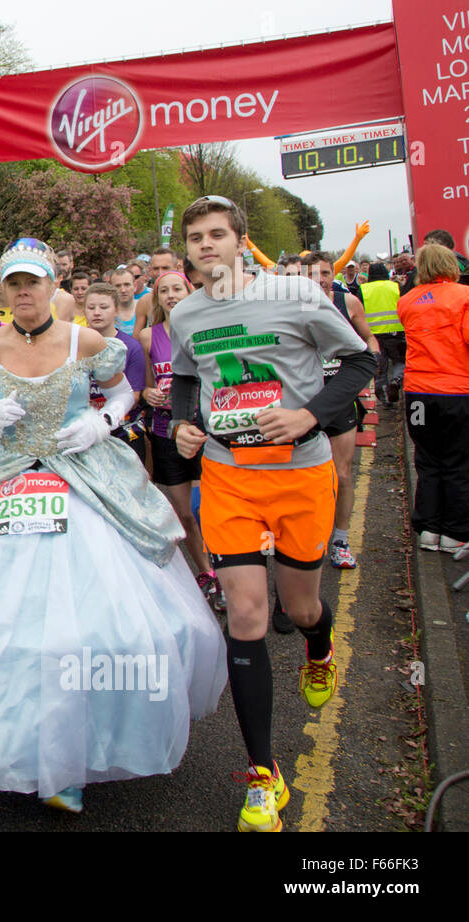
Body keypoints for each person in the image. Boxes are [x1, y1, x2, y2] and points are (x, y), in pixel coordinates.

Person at [0, 241, 225, 811]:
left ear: (50, 287)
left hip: (81, 474)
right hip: (6, 476)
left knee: (88, 621)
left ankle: (75, 749)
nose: (23, 294)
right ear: (3, 292)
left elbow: (123, 393)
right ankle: (0, 739)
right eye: (12, 285)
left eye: (32, 284)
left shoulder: (85, 339)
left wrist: (100, 422)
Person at [168, 194, 376, 832]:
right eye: (196, 237)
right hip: (229, 477)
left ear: (240, 242)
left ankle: (319, 646)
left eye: (217, 235)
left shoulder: (297, 295)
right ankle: (264, 775)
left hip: (300, 475)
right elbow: (186, 378)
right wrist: (182, 423)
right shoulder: (186, 314)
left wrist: (311, 413)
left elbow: (364, 360)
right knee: (248, 616)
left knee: (302, 606)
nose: (206, 246)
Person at [136, 270, 224, 612]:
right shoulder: (147, 336)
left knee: (207, 509)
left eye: (177, 289)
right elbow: (143, 384)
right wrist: (148, 392)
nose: (171, 295)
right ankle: (206, 573)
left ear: (190, 292)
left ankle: (223, 566)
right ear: (156, 299)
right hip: (165, 432)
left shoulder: (209, 329)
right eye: (164, 291)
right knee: (184, 512)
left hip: (206, 430)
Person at [303, 253, 380, 571]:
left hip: (339, 398)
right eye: (312, 274)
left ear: (331, 274)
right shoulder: (292, 304)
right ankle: (307, 539)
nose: (318, 279)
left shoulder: (348, 304)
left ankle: (340, 541)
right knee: (307, 478)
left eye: (323, 273)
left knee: (342, 474)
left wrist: (373, 360)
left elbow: (369, 339)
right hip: (304, 400)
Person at [398, 244, 469, 554]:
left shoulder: (408, 301)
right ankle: (456, 531)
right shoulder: (463, 297)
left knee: (427, 461)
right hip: (456, 391)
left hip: (417, 393)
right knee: (458, 462)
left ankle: (428, 528)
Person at [83, 283, 147, 464]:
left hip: (123, 430)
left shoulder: (131, 347)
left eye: (104, 307)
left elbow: (134, 396)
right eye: (91, 307)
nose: (96, 312)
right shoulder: (75, 344)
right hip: (84, 431)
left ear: (116, 311)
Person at [361, 263, 405, 404]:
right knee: (400, 362)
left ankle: (386, 400)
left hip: (373, 337)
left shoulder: (363, 290)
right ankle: (396, 381)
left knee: (380, 369)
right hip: (397, 333)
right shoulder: (396, 286)